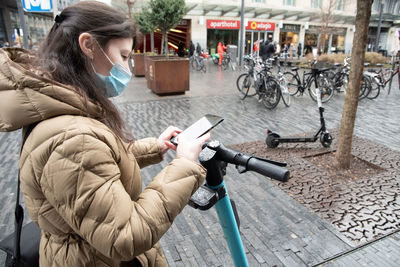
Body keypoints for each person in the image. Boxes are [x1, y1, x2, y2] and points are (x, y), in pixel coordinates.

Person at [0, 2, 208, 266]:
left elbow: (96, 163)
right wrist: (184, 165)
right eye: (123, 56)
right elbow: (124, 235)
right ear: (88, 45)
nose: (128, 69)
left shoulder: (57, 101)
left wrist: (154, 146)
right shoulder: (72, 139)